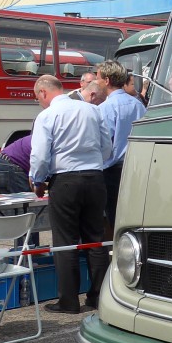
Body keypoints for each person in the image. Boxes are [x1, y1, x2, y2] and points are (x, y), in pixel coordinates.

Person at [30, 75, 112, 314]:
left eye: (38, 98)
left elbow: (41, 155)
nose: (39, 102)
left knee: (65, 242)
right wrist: (94, 163)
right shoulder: (91, 111)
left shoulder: (47, 116)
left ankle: (68, 300)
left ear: (44, 93)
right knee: (95, 239)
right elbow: (107, 146)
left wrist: (37, 180)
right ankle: (98, 297)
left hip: (65, 180)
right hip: (95, 178)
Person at [96, 60, 145, 234]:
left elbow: (104, 142)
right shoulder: (138, 105)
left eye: (98, 78)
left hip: (112, 171)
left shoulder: (105, 108)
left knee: (114, 218)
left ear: (107, 80)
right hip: (136, 168)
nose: (97, 82)